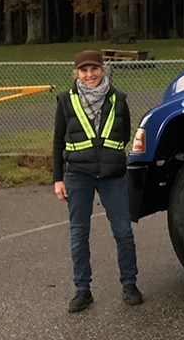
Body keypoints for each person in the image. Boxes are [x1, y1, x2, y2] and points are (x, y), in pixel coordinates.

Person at [52, 49, 143, 313]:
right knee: (79, 234)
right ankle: (82, 290)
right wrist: (58, 178)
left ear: (102, 70)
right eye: (84, 70)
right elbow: (58, 142)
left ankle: (130, 284)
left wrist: (107, 158)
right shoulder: (65, 100)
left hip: (112, 176)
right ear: (77, 73)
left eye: (94, 69)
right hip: (77, 176)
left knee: (123, 232)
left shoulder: (118, 99)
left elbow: (124, 134)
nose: (89, 75)